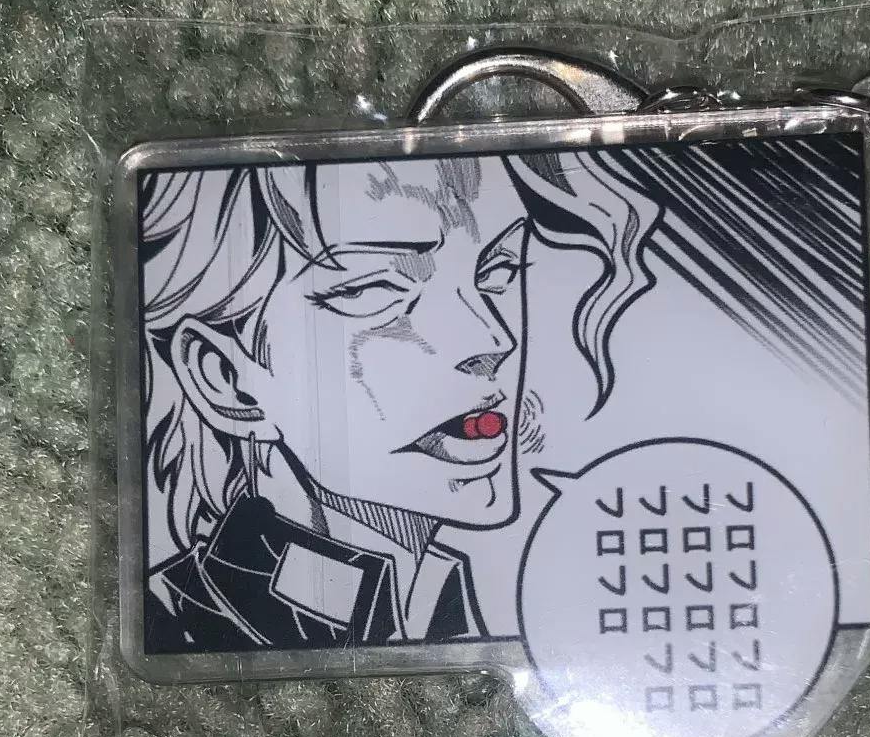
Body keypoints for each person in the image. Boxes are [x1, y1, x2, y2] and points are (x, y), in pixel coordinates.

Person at [139, 149, 659, 655]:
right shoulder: (173, 629)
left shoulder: (472, 618)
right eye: (373, 290)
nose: (493, 341)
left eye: (497, 272)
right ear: (225, 378)